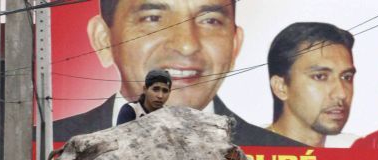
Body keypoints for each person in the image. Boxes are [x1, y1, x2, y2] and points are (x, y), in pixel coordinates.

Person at [53, 0, 301, 146]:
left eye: (210, 20)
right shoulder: (49, 143)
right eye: (152, 18)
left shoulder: (282, 153)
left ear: (235, 44)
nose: (186, 45)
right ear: (103, 40)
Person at [266, 22, 356, 147]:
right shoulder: (245, 155)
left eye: (347, 77)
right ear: (281, 87)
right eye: (320, 76)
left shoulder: (359, 152)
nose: (341, 93)